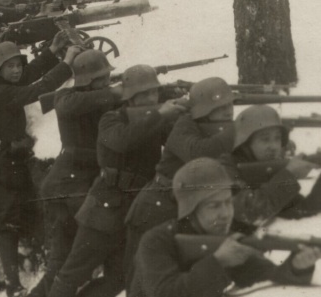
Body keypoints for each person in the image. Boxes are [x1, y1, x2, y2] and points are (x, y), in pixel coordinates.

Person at [47, 65, 187, 297]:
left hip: (135, 211)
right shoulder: (111, 119)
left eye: (153, 93)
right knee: (72, 273)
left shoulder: (155, 120)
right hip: (104, 208)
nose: (150, 98)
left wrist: (188, 117)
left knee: (119, 279)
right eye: (144, 94)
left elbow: (177, 143)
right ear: (129, 97)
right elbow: (123, 141)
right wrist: (160, 114)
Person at [0, 37, 80, 296]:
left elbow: (29, 75)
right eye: (11, 66)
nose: (17, 70)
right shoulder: (0, 91)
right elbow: (37, 88)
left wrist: (51, 52)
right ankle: (13, 286)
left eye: (18, 64)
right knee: (8, 221)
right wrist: (67, 62)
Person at [131, 158, 321, 297]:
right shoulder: (156, 241)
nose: (225, 213)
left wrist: (297, 267)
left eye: (228, 202)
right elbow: (165, 294)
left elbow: (267, 274)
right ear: (191, 211)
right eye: (214, 206)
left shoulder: (224, 239)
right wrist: (218, 262)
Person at [124, 78, 237, 292]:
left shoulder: (219, 130)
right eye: (220, 107)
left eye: (230, 105)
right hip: (155, 207)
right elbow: (197, 152)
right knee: (140, 282)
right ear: (203, 109)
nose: (228, 111)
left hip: (182, 209)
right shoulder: (185, 125)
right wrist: (235, 133)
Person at [28, 50, 123, 297]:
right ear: (87, 81)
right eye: (103, 79)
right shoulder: (67, 97)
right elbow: (68, 104)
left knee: (63, 267)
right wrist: (115, 92)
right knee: (68, 265)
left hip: (69, 187)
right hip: (66, 189)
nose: (108, 83)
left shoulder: (98, 99)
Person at [230, 105, 321, 232]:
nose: (273, 146)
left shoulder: (270, 169)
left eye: (277, 138)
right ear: (245, 144)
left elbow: (303, 212)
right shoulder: (224, 169)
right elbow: (250, 212)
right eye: (265, 139)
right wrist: (289, 175)